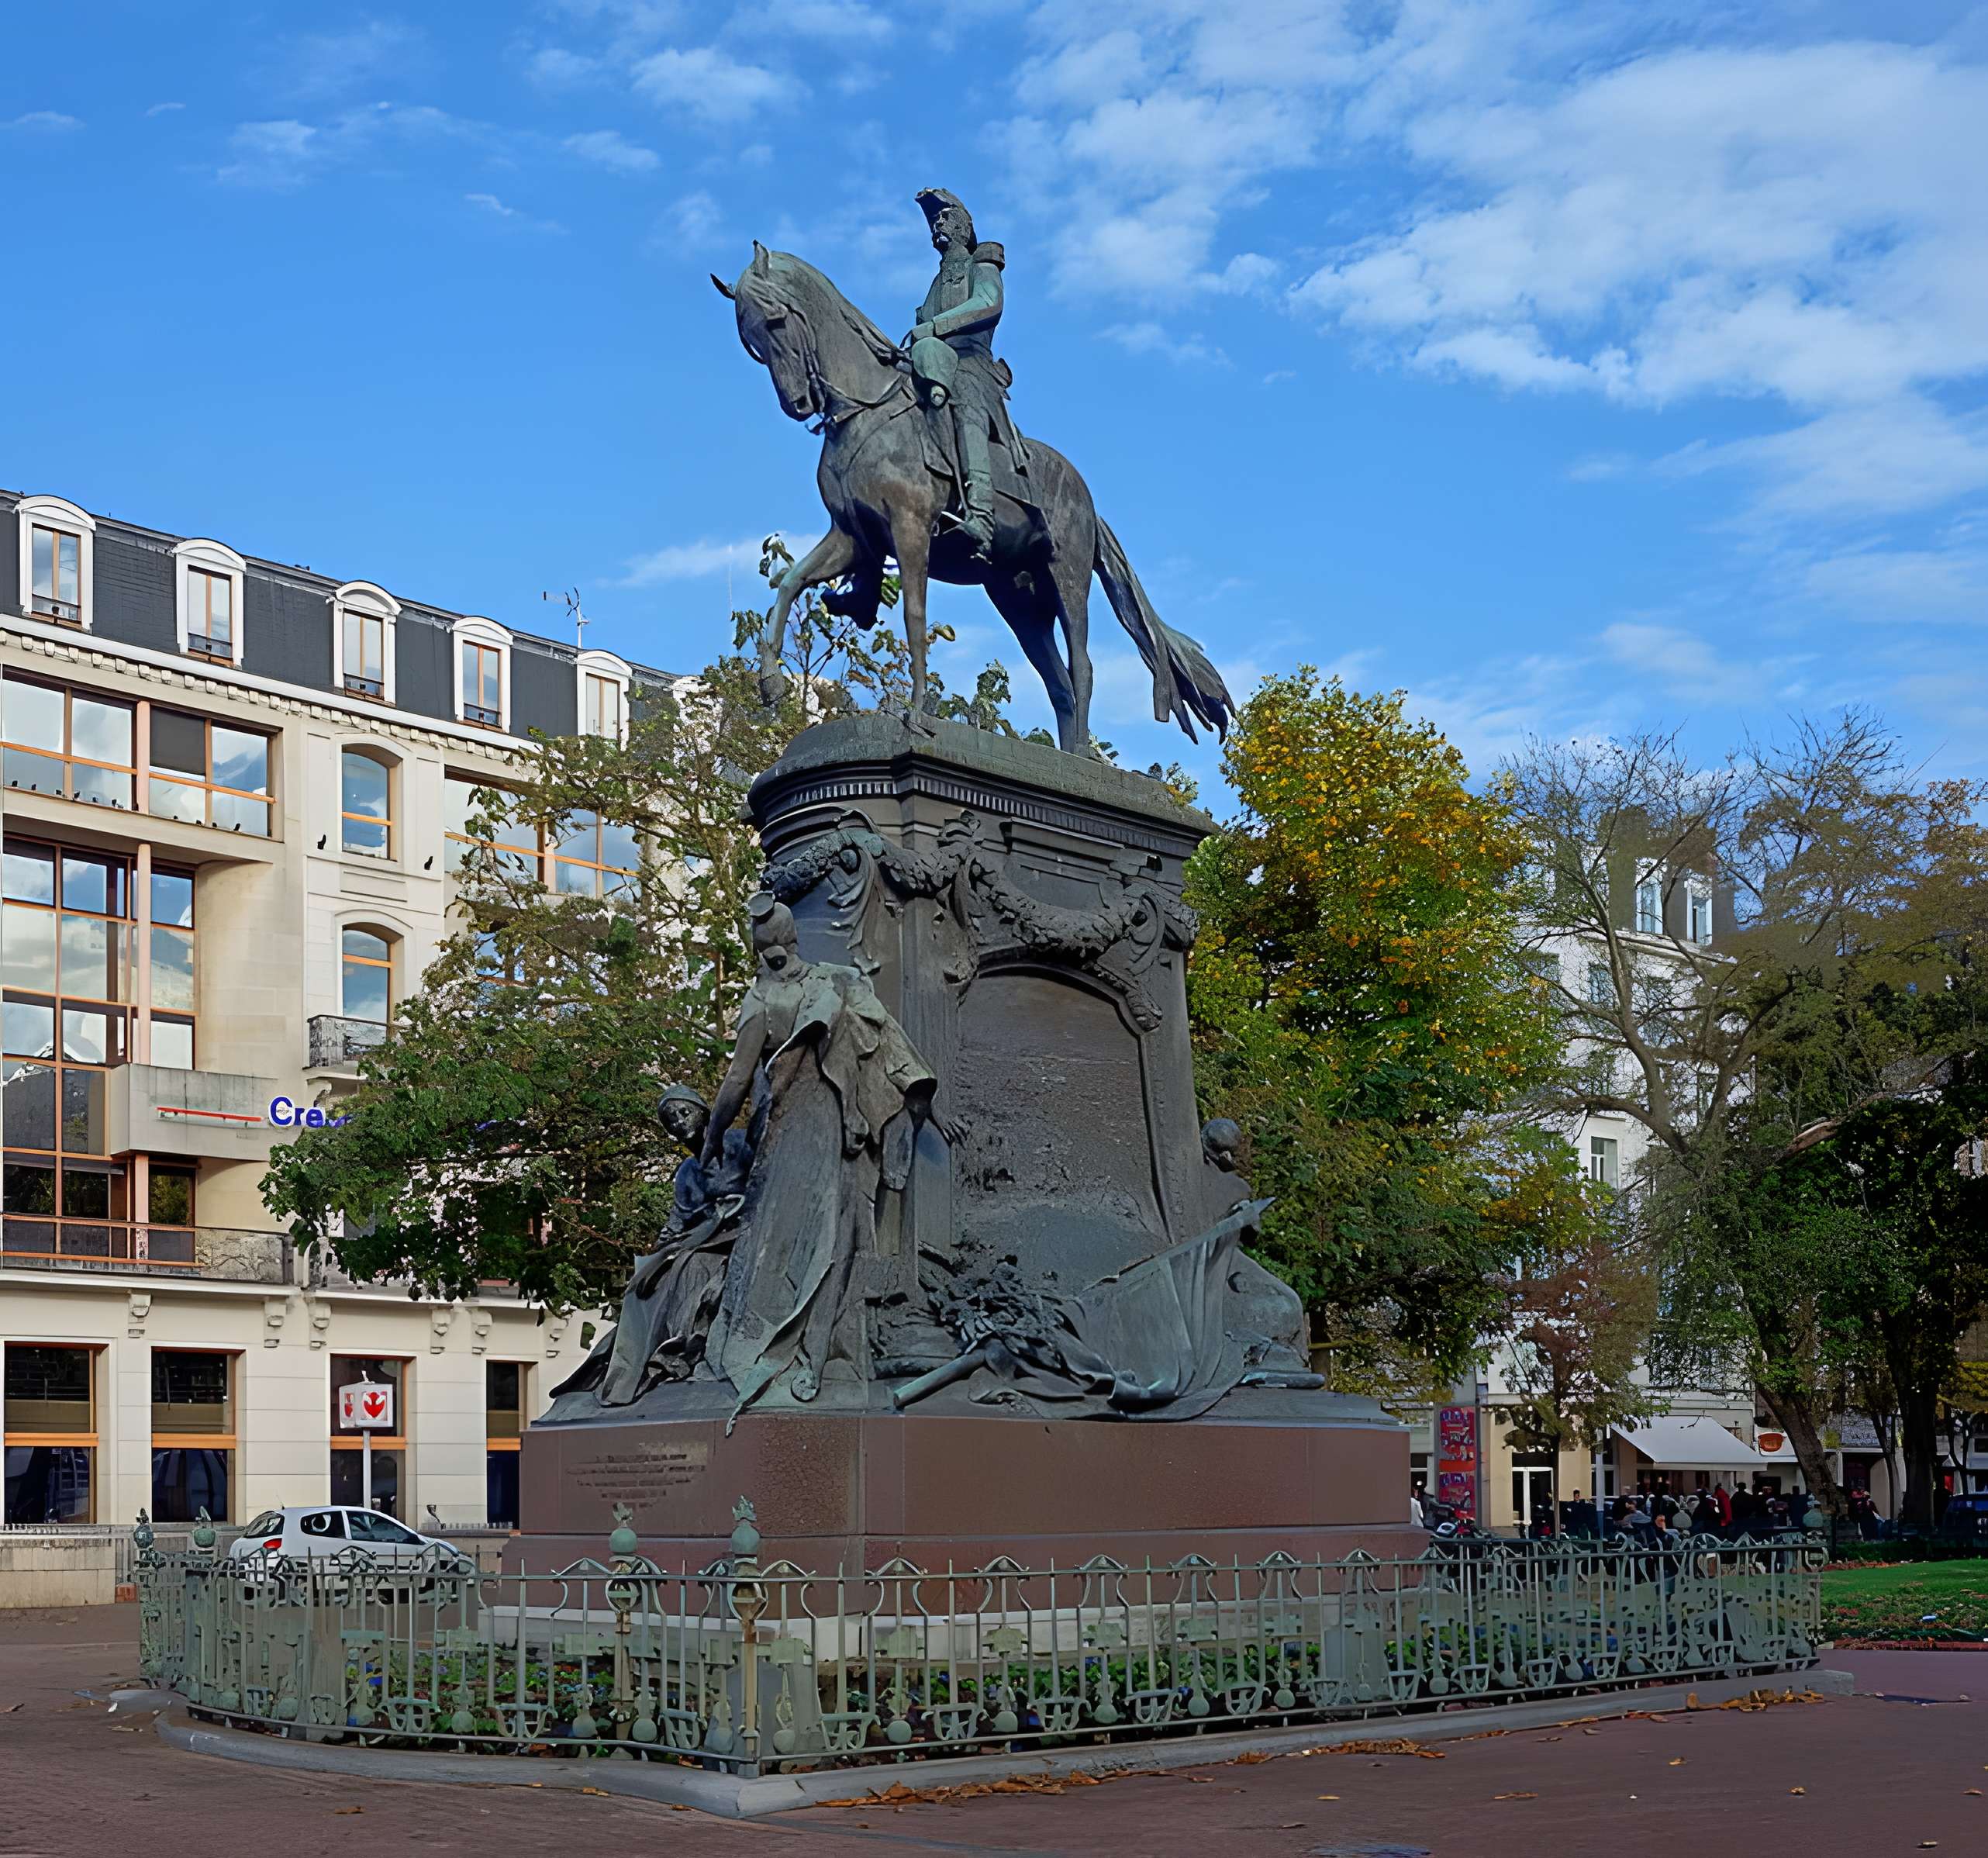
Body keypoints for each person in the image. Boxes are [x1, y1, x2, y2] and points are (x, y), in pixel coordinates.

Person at [701, 893, 937, 1421]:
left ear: (761, 951)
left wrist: (713, 1135)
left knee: (792, 1243)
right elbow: (887, 1045)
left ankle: (797, 1345)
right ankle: (823, 1347)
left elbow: (739, 1079)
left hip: (800, 1133)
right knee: (833, 1239)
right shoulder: (836, 980)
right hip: (835, 1130)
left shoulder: (763, 1000)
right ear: (792, 940)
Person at [904, 188, 1028, 566]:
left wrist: (937, 327)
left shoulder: (983, 264)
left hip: (972, 363)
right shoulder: (935, 282)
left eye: (944, 218)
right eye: (934, 220)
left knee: (966, 406)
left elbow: (989, 304)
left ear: (963, 226)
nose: (937, 224)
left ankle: (982, 516)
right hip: (934, 361)